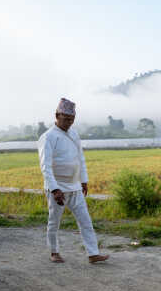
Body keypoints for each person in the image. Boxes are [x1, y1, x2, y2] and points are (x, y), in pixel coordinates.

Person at [37, 98, 109, 264]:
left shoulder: (74, 134)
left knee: (85, 220)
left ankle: (93, 253)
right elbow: (45, 166)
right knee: (54, 221)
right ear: (57, 115)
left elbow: (80, 159)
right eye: (66, 118)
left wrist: (84, 180)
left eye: (72, 119)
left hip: (75, 185)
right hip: (57, 187)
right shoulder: (47, 137)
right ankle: (54, 252)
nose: (69, 122)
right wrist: (54, 189)